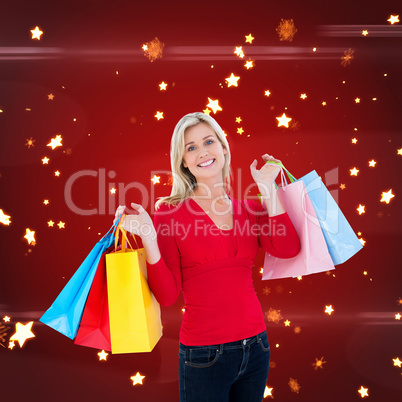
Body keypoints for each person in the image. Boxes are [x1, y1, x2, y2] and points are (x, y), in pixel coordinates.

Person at [114, 112, 300, 401]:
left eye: (209, 141)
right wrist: (148, 238)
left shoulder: (249, 209)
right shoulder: (169, 213)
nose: (202, 152)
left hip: (257, 347)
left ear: (223, 148)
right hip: (203, 356)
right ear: (183, 162)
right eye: (191, 147)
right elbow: (166, 295)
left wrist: (268, 188)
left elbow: (289, 249)